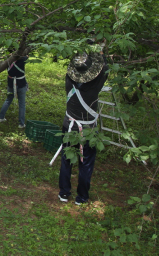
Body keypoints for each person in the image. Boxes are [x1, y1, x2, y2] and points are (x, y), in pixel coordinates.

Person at [58, 51, 108, 206]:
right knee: (86, 164)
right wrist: (101, 53)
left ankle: (64, 193)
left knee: (66, 160)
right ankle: (81, 197)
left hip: (69, 126)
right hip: (88, 130)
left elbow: (72, 67)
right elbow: (105, 68)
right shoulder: (94, 86)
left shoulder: (68, 80)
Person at [0, 55, 29, 128]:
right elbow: (27, 56)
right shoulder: (22, 59)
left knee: (8, 100)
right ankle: (21, 124)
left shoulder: (8, 60)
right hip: (21, 83)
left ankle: (1, 117)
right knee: (22, 104)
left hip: (11, 83)